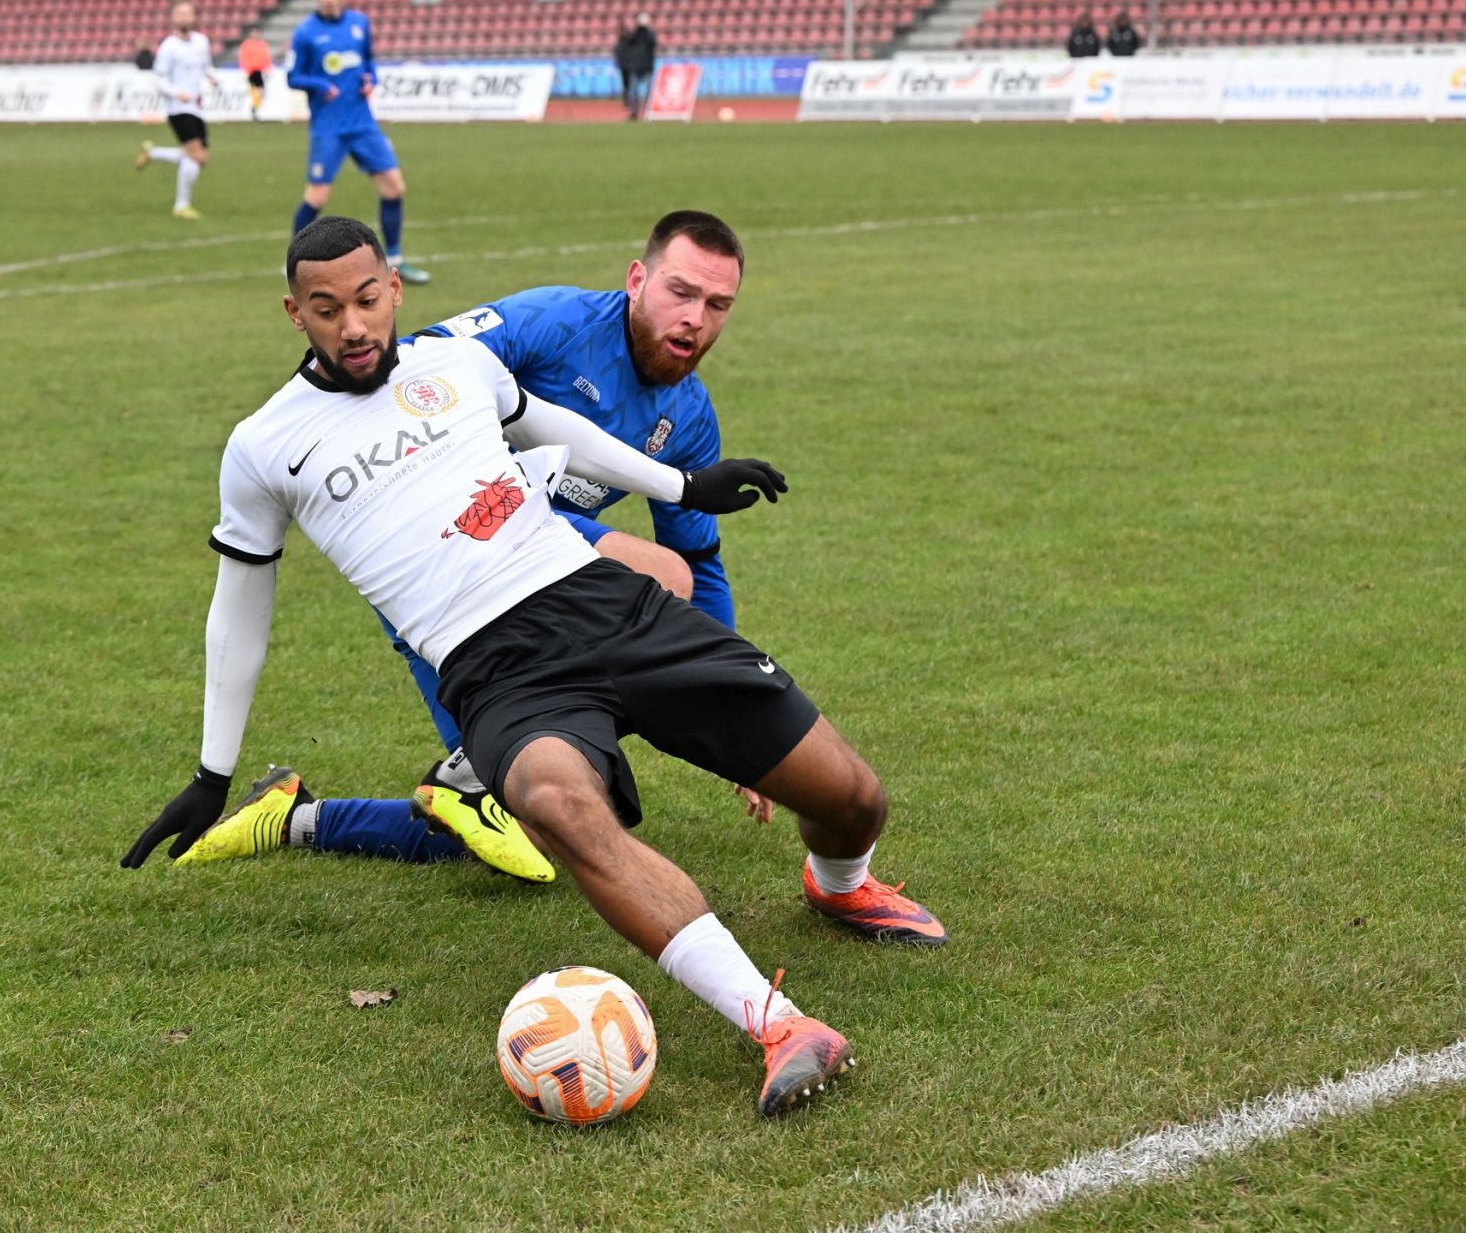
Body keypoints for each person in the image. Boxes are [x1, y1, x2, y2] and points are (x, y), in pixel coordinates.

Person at [123, 216, 947, 1117]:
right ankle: (780, 1026)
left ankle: (839, 886)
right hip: (494, 669)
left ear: (393, 288)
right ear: (295, 313)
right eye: (327, 310)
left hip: (598, 601)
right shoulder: (261, 446)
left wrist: (680, 487)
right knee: (557, 805)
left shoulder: (455, 365)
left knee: (852, 798)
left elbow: (551, 424)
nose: (353, 327)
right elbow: (239, 608)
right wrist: (211, 773)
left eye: (366, 300)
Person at [284, 0, 430, 285]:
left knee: (394, 187)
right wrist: (320, 85)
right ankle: (295, 266)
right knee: (316, 198)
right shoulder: (305, 32)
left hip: (363, 124)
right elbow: (292, 77)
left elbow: (369, 63)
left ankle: (395, 260)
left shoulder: (359, 23)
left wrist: (370, 80)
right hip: (328, 127)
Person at [133, 0, 216, 220]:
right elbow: (158, 79)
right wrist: (177, 92)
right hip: (178, 108)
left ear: (194, 17)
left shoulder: (202, 42)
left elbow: (206, 67)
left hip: (197, 107)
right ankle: (181, 205)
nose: (184, 18)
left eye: (187, 13)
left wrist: (213, 77)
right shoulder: (168, 47)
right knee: (196, 156)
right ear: (173, 18)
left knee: (200, 158)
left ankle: (152, 153)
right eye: (180, 14)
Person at [614, 13, 658, 121]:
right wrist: (638, 30)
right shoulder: (634, 34)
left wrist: (645, 30)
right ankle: (634, 112)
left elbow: (652, 42)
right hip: (635, 67)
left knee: (649, 91)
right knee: (633, 91)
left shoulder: (650, 34)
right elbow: (627, 41)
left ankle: (648, 112)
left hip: (647, 66)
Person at [237, 26, 273, 120]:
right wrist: (246, 70)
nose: (256, 34)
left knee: (261, 92)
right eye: (254, 32)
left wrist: (268, 68)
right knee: (257, 91)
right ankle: (253, 109)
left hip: (260, 71)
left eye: (257, 32)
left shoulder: (262, 44)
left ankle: (254, 108)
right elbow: (244, 58)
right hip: (251, 71)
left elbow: (266, 58)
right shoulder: (247, 45)